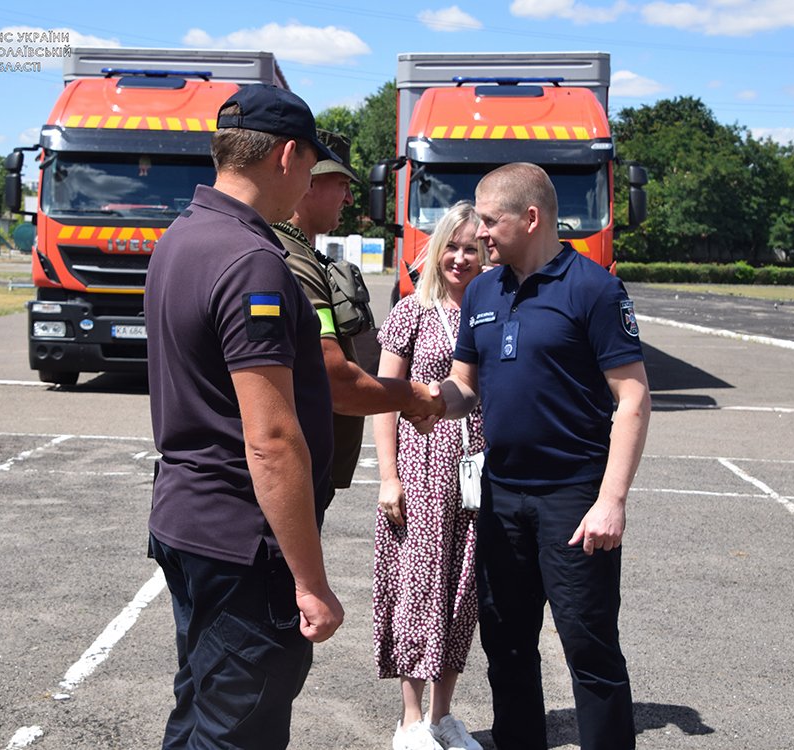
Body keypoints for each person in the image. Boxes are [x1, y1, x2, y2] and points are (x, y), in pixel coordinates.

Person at [144, 84, 345, 750]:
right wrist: (311, 583)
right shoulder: (254, 260)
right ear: (288, 156)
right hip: (241, 539)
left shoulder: (183, 236)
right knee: (238, 730)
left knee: (201, 709)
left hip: (190, 520)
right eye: (312, 166)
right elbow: (273, 439)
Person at [425, 163, 651, 750]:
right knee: (506, 644)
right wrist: (423, 401)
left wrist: (611, 501)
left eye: (490, 220)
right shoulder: (481, 290)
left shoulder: (593, 288)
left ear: (531, 218)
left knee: (588, 646)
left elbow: (632, 398)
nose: (479, 234)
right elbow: (465, 385)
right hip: (500, 496)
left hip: (574, 498)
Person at [373, 202, 490, 750]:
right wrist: (388, 477)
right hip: (422, 468)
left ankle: (444, 717)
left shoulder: (492, 311)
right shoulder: (411, 312)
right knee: (418, 588)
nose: (461, 257)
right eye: (453, 245)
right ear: (436, 247)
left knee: (463, 591)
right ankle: (411, 720)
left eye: (473, 247)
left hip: (478, 470)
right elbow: (382, 401)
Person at [273, 130, 446, 496]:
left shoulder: (303, 254)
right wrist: (413, 396)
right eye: (342, 184)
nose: (351, 198)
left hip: (305, 470)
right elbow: (334, 378)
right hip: (292, 477)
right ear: (310, 182)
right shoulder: (292, 260)